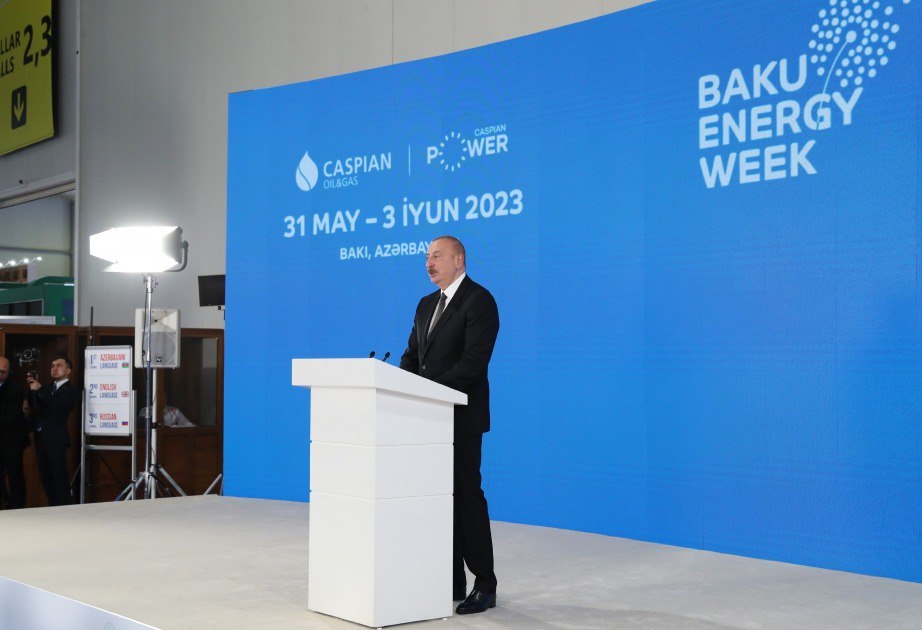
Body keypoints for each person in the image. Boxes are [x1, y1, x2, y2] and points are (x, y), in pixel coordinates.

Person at [399, 235, 500, 615]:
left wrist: (428, 390)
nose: (429, 263)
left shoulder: (479, 301)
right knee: (439, 501)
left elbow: (473, 364)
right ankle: (452, 578)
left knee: (466, 498)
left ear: (459, 260)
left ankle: (485, 584)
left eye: (437, 256)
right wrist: (404, 384)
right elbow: (412, 356)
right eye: (427, 256)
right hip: (428, 420)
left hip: (461, 418)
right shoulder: (426, 304)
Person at [28, 356, 80, 506]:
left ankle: (64, 508)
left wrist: (40, 389)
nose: (55, 368)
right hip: (41, 438)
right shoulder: (47, 387)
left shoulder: (71, 390)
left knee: (59, 477)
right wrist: (32, 389)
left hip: (56, 439)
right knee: (45, 477)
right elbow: (35, 407)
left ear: (68, 370)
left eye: (59, 365)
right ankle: (53, 508)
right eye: (52, 366)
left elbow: (57, 407)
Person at [0, 357, 29, 509]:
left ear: (9, 372)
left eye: (2, 372)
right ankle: (6, 503)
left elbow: (11, 417)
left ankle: (17, 509)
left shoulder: (15, 389)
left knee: (15, 476)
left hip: (12, 441)